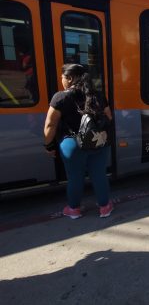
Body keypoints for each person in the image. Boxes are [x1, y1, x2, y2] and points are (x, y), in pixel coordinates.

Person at [43, 64, 113, 219]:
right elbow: (109, 118)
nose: (61, 80)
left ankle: (74, 209)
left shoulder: (60, 97)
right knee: (99, 175)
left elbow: (50, 125)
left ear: (69, 78)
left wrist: (48, 145)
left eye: (62, 77)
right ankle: (104, 208)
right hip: (98, 141)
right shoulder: (98, 95)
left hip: (72, 144)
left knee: (75, 177)